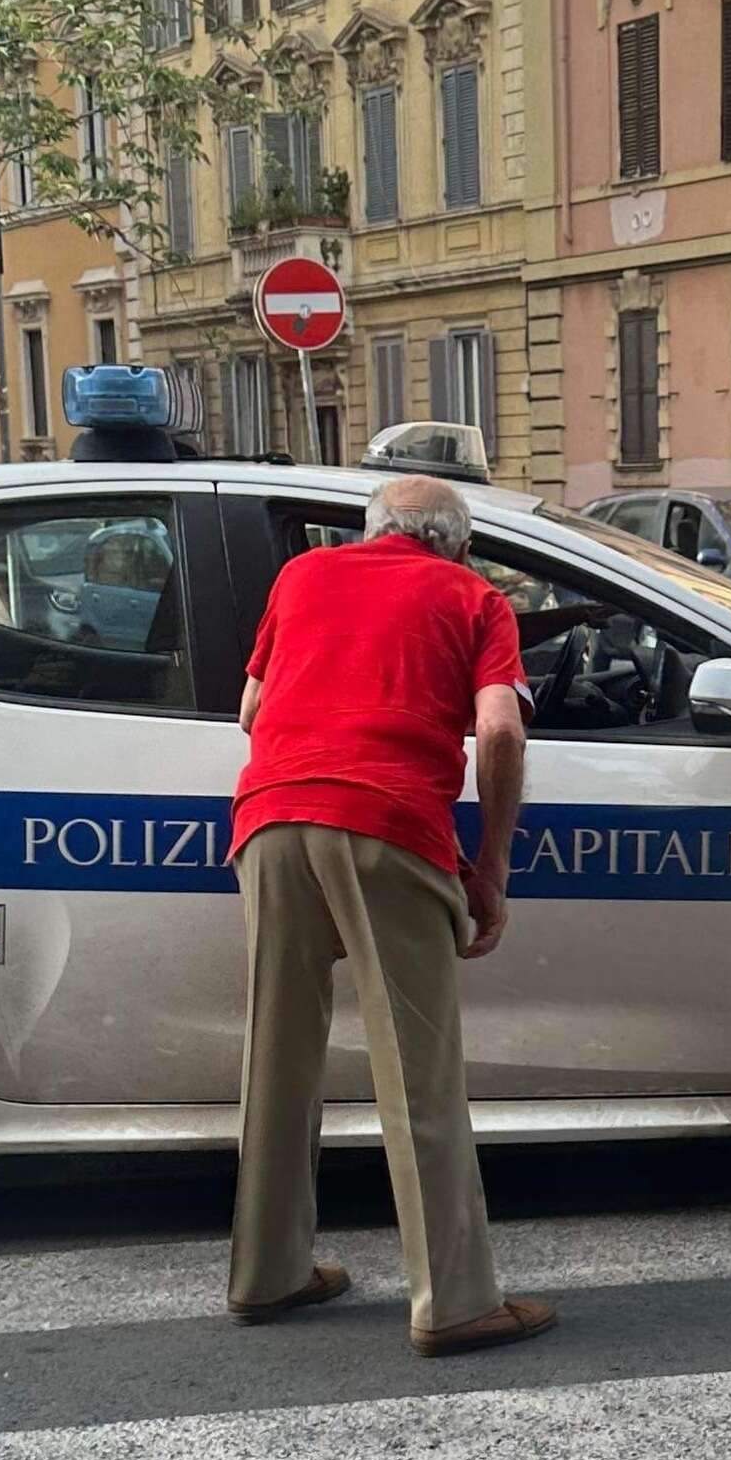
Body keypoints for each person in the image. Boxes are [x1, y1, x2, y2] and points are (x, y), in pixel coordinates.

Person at [226, 473, 558, 1358]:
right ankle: (453, 1304)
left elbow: (252, 710)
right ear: (456, 541)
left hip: (268, 820)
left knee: (278, 1052)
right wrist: (489, 867)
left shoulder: (303, 577)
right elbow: (500, 733)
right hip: (387, 823)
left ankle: (268, 1275)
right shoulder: (475, 596)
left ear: (374, 529)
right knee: (419, 1071)